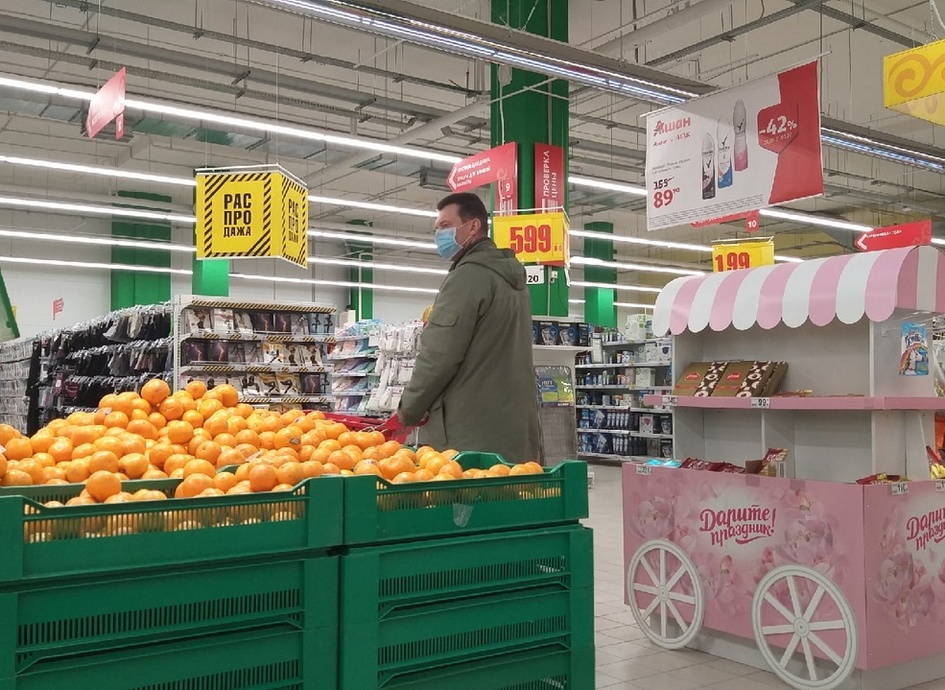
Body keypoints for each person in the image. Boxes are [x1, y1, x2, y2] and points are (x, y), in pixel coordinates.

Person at [387, 192, 540, 463]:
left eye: (446, 226)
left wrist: (407, 411)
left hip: (470, 433)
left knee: (467, 492)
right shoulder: (512, 281)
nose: (439, 235)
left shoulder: (468, 277)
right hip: (515, 429)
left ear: (473, 226)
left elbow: (438, 356)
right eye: (437, 229)